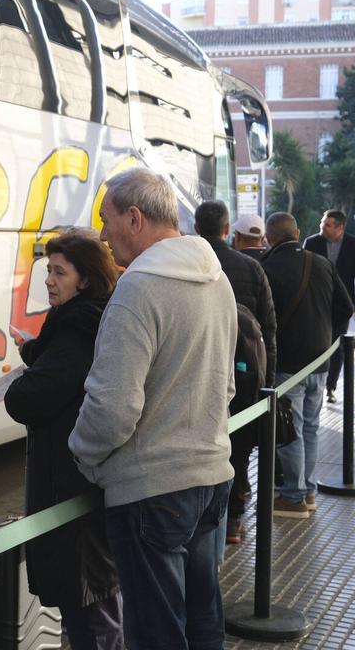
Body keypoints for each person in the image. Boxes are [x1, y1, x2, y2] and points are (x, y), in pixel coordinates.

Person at [69, 168, 235, 650]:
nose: (101, 233)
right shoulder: (216, 278)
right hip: (211, 478)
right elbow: (225, 387)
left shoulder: (137, 289)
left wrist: (83, 454)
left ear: (135, 218)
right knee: (204, 623)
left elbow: (113, 406)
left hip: (151, 493)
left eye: (106, 218)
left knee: (156, 634)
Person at [5, 230, 123, 650]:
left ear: (85, 279)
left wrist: (20, 384)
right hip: (85, 485)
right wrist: (37, 355)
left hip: (72, 489)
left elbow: (28, 398)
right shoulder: (92, 317)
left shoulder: (77, 326)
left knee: (90, 606)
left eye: (59, 272)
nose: (49, 280)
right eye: (47, 271)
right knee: (92, 603)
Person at [194, 200, 277, 545]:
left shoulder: (189, 264)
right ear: (227, 230)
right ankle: (233, 522)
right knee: (238, 450)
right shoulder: (250, 267)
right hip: (242, 374)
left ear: (197, 228)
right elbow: (268, 329)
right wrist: (266, 382)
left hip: (199, 370)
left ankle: (200, 517)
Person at [260, 213, 353, 519]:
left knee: (291, 431)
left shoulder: (267, 267)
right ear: (298, 233)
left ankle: (293, 497)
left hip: (289, 365)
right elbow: (346, 307)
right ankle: (308, 492)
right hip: (321, 361)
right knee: (310, 428)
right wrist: (328, 338)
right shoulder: (322, 262)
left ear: (269, 238)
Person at [304, 210, 355, 404]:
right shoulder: (311, 242)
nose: (322, 228)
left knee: (337, 347)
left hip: (342, 306)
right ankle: (314, 384)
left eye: (327, 225)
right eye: (322, 224)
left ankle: (330, 387)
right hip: (316, 304)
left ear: (340, 228)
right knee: (316, 344)